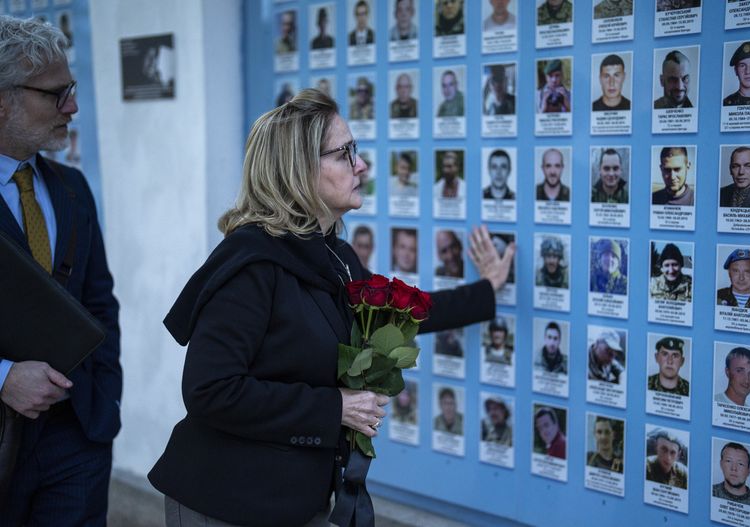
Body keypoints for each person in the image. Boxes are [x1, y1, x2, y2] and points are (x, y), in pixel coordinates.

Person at [148, 90, 515, 526]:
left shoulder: (334, 255)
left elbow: (400, 310)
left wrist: (487, 290)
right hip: (225, 502)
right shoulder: (252, 265)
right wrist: (334, 408)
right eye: (344, 154)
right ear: (299, 170)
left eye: (354, 151)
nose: (361, 165)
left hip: (295, 500)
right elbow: (210, 390)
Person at [0, 16, 121, 525]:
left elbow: (100, 305)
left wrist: (105, 401)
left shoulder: (72, 187)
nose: (72, 106)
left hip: (79, 439)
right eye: (56, 93)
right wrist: (3, 377)